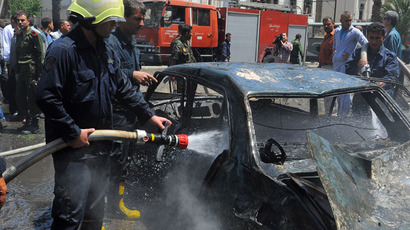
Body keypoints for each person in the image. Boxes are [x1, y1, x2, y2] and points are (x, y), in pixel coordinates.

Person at [36, 0, 170, 228]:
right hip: (73, 153)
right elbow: (46, 97)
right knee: (70, 215)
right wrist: (73, 132)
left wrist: (149, 115)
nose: (115, 26)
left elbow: (122, 87)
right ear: (91, 20)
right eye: (110, 21)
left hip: (101, 149)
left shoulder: (105, 49)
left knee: (95, 214)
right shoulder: (64, 51)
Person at [105, 0, 158, 217]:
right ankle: (108, 207)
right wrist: (131, 74)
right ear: (123, 18)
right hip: (115, 113)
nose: (142, 23)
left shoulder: (132, 43)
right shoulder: (111, 43)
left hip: (130, 112)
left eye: (142, 18)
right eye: (137, 18)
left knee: (124, 160)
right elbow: (111, 77)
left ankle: (116, 204)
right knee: (114, 160)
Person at [346, 22, 399, 97]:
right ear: (367, 37)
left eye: (377, 38)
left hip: (382, 99)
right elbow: (348, 71)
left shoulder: (389, 57)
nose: (374, 41)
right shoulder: (358, 52)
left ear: (384, 37)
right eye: (371, 38)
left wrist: (382, 83)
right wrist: (358, 68)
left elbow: (392, 76)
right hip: (362, 97)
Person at [332, 11, 368, 116]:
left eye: (350, 20)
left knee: (345, 92)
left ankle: (344, 115)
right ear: (341, 21)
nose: (349, 22)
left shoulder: (355, 32)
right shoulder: (337, 31)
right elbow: (335, 43)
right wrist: (334, 52)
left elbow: (365, 44)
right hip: (336, 64)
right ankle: (339, 114)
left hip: (346, 65)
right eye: (346, 20)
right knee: (337, 91)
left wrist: (353, 55)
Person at [15, 11, 43, 134]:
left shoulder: (34, 35)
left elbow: (40, 56)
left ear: (28, 21)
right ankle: (26, 121)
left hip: (32, 71)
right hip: (21, 71)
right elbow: (17, 54)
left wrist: (39, 75)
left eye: (22, 20)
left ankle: (34, 124)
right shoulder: (19, 35)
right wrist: (16, 71)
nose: (20, 22)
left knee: (32, 97)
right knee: (19, 96)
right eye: (18, 20)